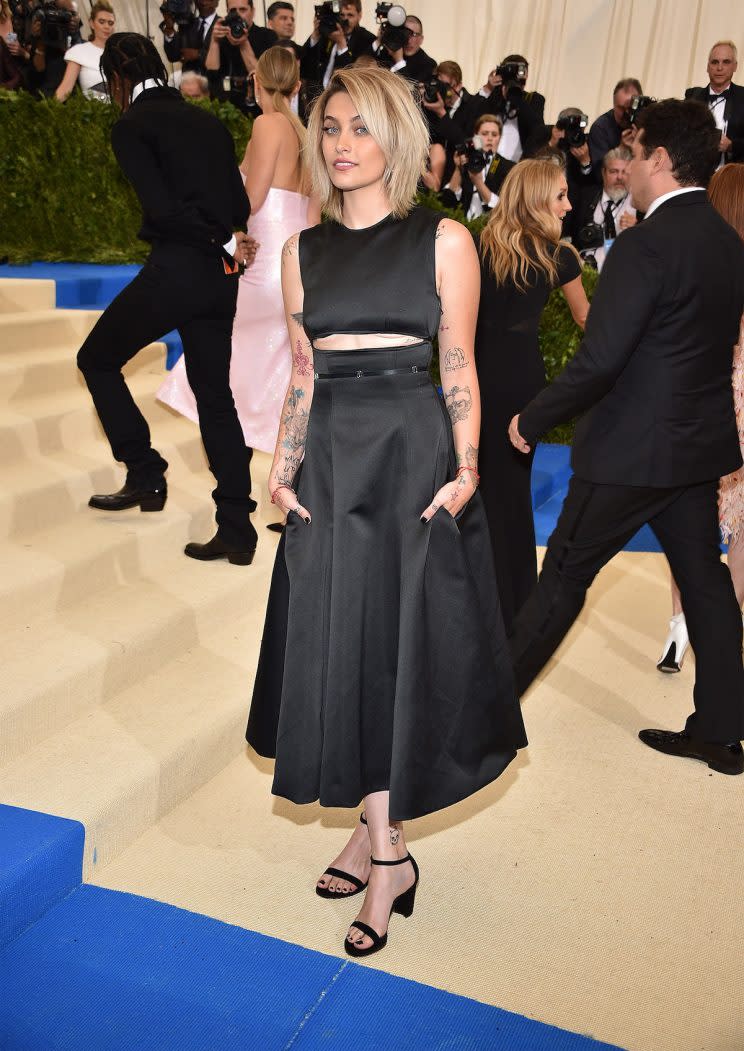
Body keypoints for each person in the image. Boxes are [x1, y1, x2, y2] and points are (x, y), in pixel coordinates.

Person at [246, 65, 526, 957]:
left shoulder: (444, 240)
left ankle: (388, 858)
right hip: (329, 465)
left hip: (412, 463)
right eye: (331, 127)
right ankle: (376, 837)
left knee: (397, 653)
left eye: (363, 128)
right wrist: (281, 467)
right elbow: (303, 372)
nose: (341, 144)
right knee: (342, 648)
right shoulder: (302, 253)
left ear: (397, 139)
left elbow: (459, 366)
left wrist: (468, 466)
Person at [508, 99, 744, 776]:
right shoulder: (729, 245)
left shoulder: (645, 242)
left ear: (661, 161)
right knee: (706, 583)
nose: (626, 165)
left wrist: (530, 416)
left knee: (561, 580)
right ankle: (723, 732)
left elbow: (601, 357)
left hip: (631, 451)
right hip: (695, 450)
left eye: (634, 153)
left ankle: (481, 716)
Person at [77, 33, 258, 564]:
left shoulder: (131, 126)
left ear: (115, 78)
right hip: (221, 277)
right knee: (213, 395)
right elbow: (240, 203)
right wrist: (228, 238)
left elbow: (160, 209)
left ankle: (144, 470)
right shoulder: (208, 121)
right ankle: (236, 530)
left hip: (180, 268)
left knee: (96, 358)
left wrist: (220, 237)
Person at [159, 46, 320, 466]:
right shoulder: (309, 135)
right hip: (299, 262)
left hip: (262, 261)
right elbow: (317, 216)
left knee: (224, 362)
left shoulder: (268, 124)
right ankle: (281, 490)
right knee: (282, 372)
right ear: (298, 86)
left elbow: (251, 199)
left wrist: (210, 222)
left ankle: (233, 479)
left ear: (255, 81)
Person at [475, 160, 588, 636]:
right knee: (511, 495)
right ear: (539, 197)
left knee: (470, 483)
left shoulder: (480, 243)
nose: (568, 204)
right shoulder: (557, 257)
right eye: (560, 195)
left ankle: (466, 597)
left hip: (473, 379)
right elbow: (590, 323)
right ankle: (516, 604)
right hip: (520, 385)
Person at [657, 163, 744, 672]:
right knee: (740, 526)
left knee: (692, 518)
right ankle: (724, 625)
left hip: (705, 395)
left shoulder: (700, 253)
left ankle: (679, 627)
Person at [204, 0, 276, 114]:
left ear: (252, 11)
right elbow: (211, 73)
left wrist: (243, 42)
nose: (238, 14)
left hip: (257, 109)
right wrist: (214, 41)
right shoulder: (220, 35)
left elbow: (263, 77)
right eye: (233, 10)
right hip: (225, 108)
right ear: (227, 12)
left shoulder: (267, 36)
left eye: (243, 10)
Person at [440, 113, 515, 220]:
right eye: (484, 134)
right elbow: (446, 202)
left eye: (494, 135)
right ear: (476, 137)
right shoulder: (465, 159)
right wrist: (458, 169)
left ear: (500, 138)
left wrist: (478, 182)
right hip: (462, 226)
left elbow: (504, 209)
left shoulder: (509, 167)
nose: (489, 138)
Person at [574, 146, 636, 270]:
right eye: (614, 171)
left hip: (626, 273)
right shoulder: (585, 198)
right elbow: (571, 238)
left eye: (625, 172)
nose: (620, 177)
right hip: (587, 274)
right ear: (603, 173)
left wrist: (637, 228)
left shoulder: (640, 204)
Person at [685, 41, 744, 166]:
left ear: (735, 66)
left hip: (734, 176)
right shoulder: (692, 97)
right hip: (696, 174)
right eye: (715, 62)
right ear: (707, 67)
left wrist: (732, 146)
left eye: (726, 62)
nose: (719, 68)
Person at [478, 54, 545, 161]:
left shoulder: (533, 99)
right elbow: (474, 121)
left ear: (526, 76)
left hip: (516, 166)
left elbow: (538, 130)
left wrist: (515, 96)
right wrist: (489, 89)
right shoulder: (494, 97)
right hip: (487, 163)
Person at [54, 0, 114, 100]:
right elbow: (65, 89)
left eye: (110, 23)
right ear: (91, 23)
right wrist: (47, 111)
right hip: (94, 112)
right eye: (101, 21)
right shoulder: (79, 51)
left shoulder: (119, 53)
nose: (106, 26)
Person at [588, 77, 642, 176]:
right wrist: (621, 149)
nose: (626, 113)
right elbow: (599, 174)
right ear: (614, 104)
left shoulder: (646, 125)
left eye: (630, 108)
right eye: (621, 108)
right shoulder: (601, 128)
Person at [162, 0, 218, 75]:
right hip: (188, 83)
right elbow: (173, 56)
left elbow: (227, 57)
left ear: (216, 2)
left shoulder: (224, 25)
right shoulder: (187, 26)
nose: (204, 2)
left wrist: (199, 55)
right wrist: (170, 29)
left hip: (214, 83)